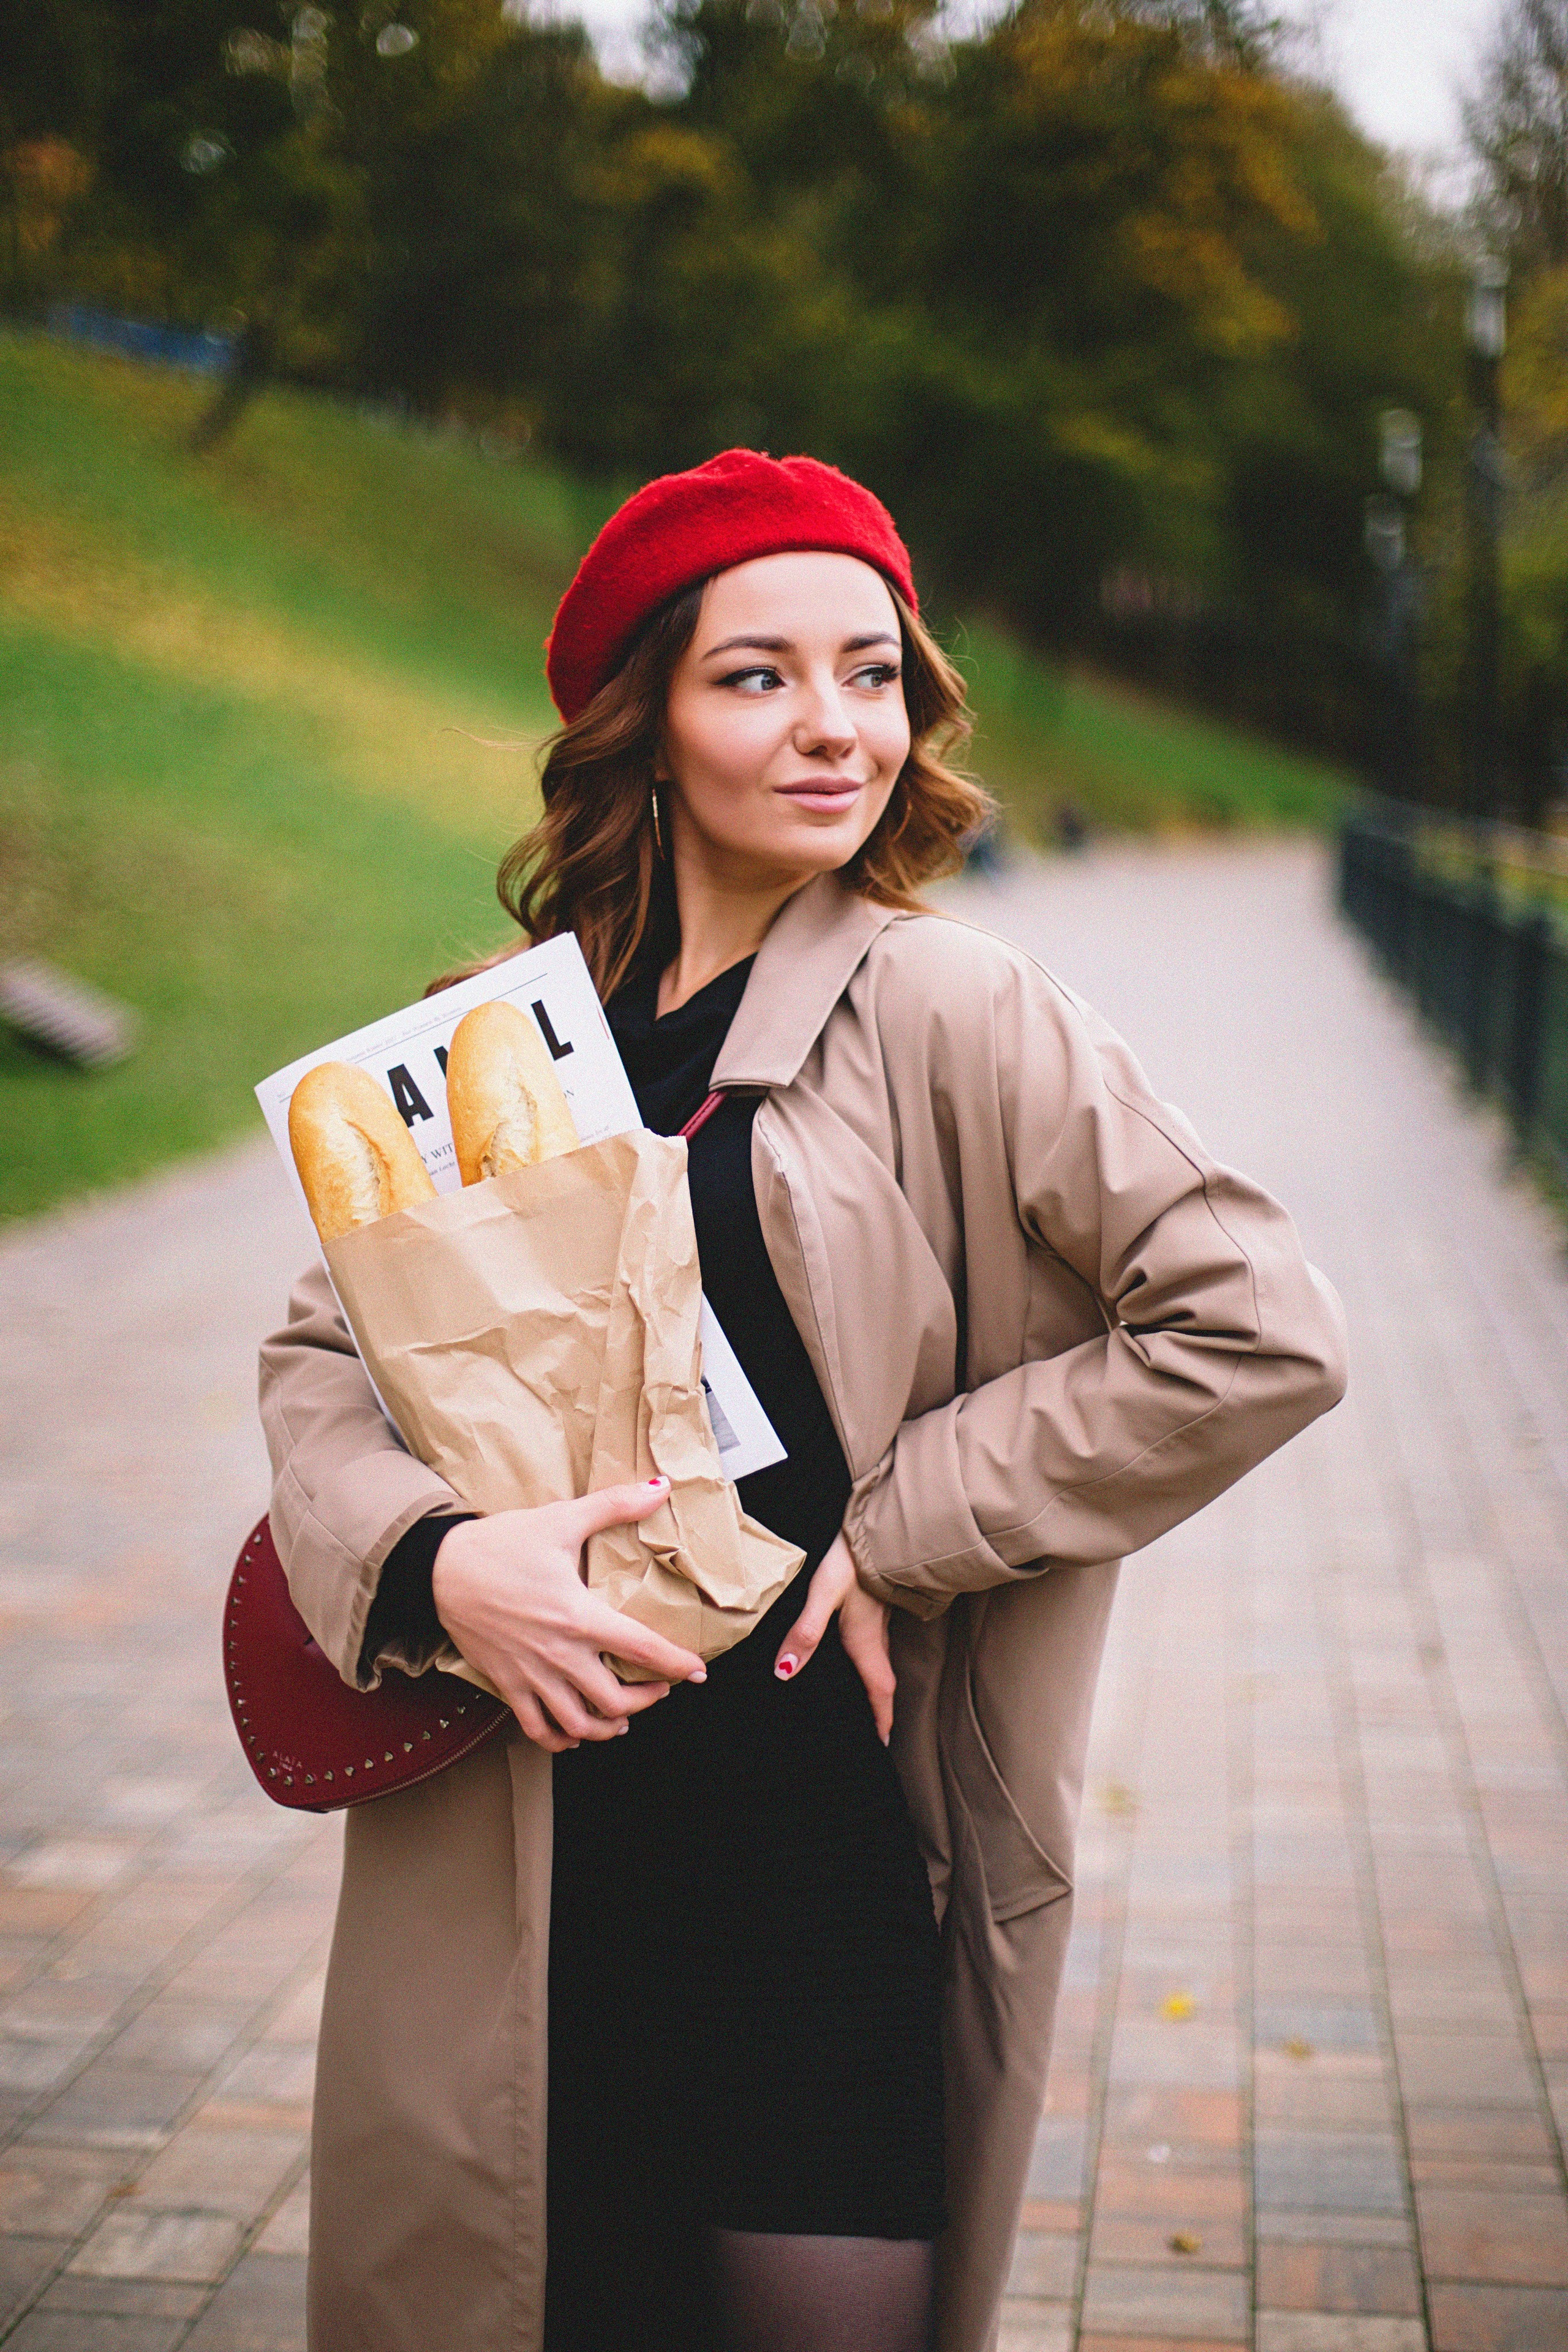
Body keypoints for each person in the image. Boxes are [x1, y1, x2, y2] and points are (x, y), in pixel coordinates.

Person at [258, 450, 1347, 2352]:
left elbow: (1254, 1327)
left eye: (872, 671)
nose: (835, 727)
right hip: (522, 1872)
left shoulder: (958, 1007)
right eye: (758, 675)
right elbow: (320, 1366)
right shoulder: (509, 1032)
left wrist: (902, 1526)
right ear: (646, 725)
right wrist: (440, 1570)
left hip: (809, 1853)